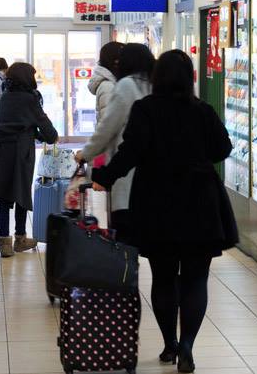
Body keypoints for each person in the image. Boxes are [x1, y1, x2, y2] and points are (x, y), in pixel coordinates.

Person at [91, 50, 238, 373]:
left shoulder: (146, 110)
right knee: (196, 278)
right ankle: (187, 345)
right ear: (190, 78)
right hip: (200, 201)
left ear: (157, 78)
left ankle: (170, 344)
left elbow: (130, 152)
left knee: (163, 276)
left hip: (157, 201)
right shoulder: (202, 111)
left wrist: (103, 176)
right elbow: (223, 149)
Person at [73, 43, 154, 241]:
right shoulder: (154, 84)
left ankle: (126, 268)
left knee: (125, 235)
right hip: (153, 172)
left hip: (126, 168)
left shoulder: (126, 85)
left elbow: (107, 127)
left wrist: (86, 154)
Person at [0, 62, 58, 258]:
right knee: (21, 193)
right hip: (21, 153)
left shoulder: (6, 97)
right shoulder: (30, 99)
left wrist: (34, 132)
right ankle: (20, 239)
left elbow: (17, 124)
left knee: (3, 197)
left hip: (1, 151)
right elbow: (49, 132)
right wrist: (45, 135)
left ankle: (5, 244)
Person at [86, 41, 124, 166]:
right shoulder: (108, 86)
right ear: (115, 61)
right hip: (110, 153)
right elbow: (107, 124)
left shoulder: (112, 83)